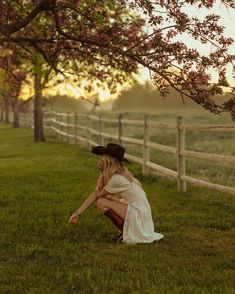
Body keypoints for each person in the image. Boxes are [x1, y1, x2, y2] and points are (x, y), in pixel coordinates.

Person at [69, 143, 164, 244]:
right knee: (108, 199)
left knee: (101, 201)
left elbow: (97, 194)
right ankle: (125, 230)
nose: (101, 159)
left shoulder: (117, 179)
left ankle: (125, 231)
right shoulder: (121, 173)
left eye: (104, 156)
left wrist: (101, 173)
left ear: (109, 159)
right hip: (142, 212)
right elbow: (98, 193)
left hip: (139, 214)